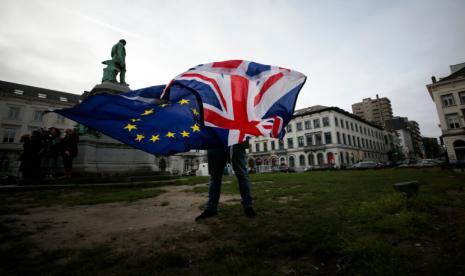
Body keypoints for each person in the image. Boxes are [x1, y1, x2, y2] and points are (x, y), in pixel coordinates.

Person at [196, 141, 256, 220]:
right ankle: (211, 208)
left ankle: (248, 207)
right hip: (216, 143)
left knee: (242, 175)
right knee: (215, 177)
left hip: (234, 142)